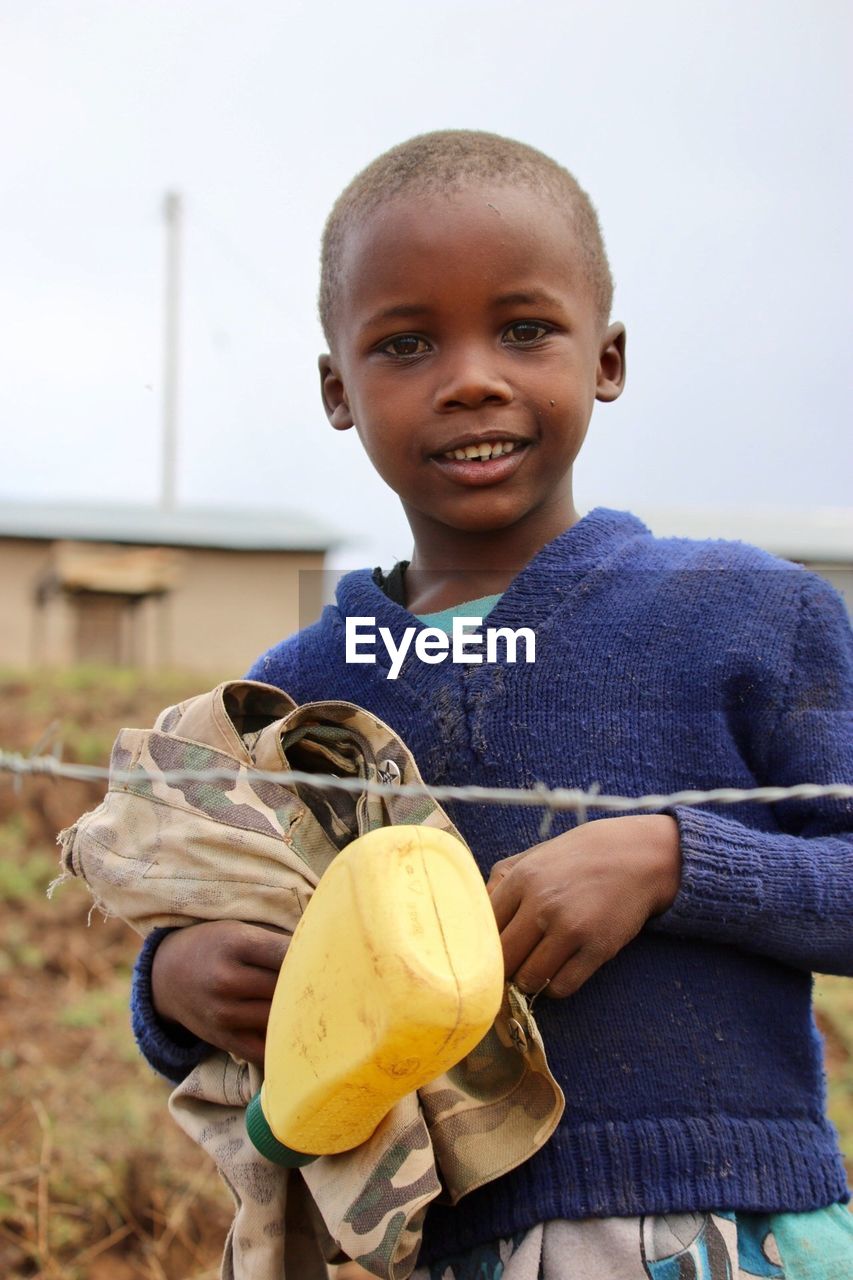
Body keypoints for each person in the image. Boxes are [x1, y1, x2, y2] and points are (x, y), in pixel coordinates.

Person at [130, 131, 853, 1278]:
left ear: (606, 357)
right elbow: (231, 924)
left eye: (523, 329)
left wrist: (670, 861)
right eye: (407, 343)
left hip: (738, 1230)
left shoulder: (751, 614)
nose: (471, 375)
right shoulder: (295, 693)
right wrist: (175, 983)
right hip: (449, 1246)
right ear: (337, 388)